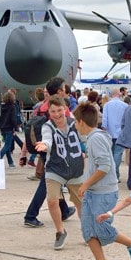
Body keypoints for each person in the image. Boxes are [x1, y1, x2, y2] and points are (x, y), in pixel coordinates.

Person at [74, 103, 131, 260]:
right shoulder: (92, 137)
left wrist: (86, 183)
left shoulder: (96, 138)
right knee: (88, 229)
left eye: (75, 121)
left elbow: (104, 166)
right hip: (93, 192)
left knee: (102, 228)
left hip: (103, 192)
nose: (74, 124)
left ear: (81, 122)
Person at [23, 77, 75, 227]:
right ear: (59, 91)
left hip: (43, 146)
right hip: (56, 149)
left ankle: (64, 210)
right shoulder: (60, 107)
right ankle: (30, 215)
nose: (66, 90)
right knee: (48, 183)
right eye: (64, 88)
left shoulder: (43, 106)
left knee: (55, 180)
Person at [34, 95, 84, 250]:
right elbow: (48, 139)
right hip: (55, 168)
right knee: (52, 200)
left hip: (76, 169)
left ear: (65, 109)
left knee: (80, 203)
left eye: (59, 110)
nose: (57, 114)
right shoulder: (47, 126)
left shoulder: (75, 123)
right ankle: (60, 231)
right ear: (49, 112)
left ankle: (87, 230)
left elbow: (86, 137)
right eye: (53, 111)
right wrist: (45, 145)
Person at [102, 88, 128, 183]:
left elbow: (104, 120)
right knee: (118, 154)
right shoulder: (125, 105)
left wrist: (104, 130)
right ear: (119, 94)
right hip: (120, 133)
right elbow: (126, 119)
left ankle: (111, 174)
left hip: (109, 132)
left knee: (110, 154)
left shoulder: (107, 105)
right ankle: (115, 174)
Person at [0, 90, 18, 168]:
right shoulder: (12, 107)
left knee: (6, 145)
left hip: (2, 128)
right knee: (7, 145)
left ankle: (10, 162)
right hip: (9, 128)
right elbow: (13, 119)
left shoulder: (1, 107)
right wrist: (16, 128)